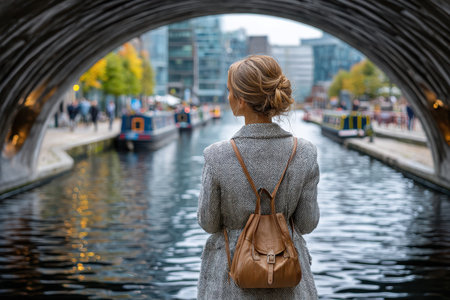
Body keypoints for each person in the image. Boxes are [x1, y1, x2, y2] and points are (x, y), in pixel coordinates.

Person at [197, 55, 320, 299]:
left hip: (230, 279)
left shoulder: (216, 155)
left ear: (241, 100)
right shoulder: (305, 152)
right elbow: (307, 223)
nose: (228, 96)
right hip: (288, 281)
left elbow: (208, 222)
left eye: (230, 91)